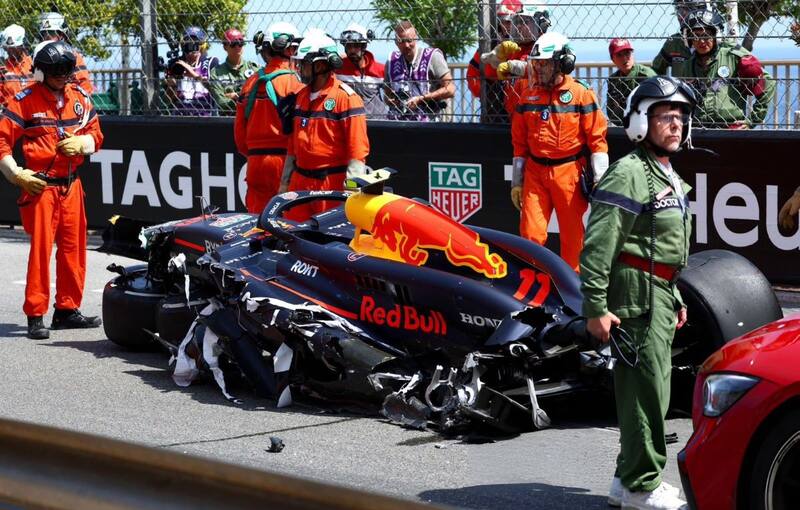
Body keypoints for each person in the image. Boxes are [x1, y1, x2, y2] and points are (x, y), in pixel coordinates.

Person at [581, 75, 696, 510]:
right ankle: (642, 486)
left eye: (681, 117)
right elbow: (598, 246)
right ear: (639, 122)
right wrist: (595, 307)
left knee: (651, 389)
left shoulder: (664, 172)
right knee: (646, 393)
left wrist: (677, 296)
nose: (676, 124)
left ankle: (624, 478)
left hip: (661, 293)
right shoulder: (629, 173)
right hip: (635, 297)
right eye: (665, 116)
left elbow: (664, 246)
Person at [0, 41, 104, 340]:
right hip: (41, 187)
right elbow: (2, 141)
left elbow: (97, 134)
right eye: (57, 71)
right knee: (41, 251)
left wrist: (83, 144)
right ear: (42, 73)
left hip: (71, 186)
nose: (63, 76)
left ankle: (67, 310)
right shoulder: (24, 101)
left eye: (67, 70)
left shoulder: (80, 97)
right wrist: (17, 174)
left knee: (74, 249)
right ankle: (35, 314)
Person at [510, 32, 608, 272]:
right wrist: (517, 181)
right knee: (530, 236)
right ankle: (533, 289)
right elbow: (519, 144)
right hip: (534, 174)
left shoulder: (581, 94)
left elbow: (597, 140)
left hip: (569, 173)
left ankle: (573, 294)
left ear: (562, 63)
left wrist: (600, 180)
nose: (539, 69)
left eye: (544, 63)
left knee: (573, 239)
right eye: (536, 63)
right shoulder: (527, 95)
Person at [278, 29, 369, 219]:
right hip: (300, 185)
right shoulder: (300, 97)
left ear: (320, 66)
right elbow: (293, 146)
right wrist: (284, 185)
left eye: (304, 63)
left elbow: (357, 151)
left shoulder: (346, 99)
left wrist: (350, 193)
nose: (299, 68)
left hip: (331, 187)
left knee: (328, 242)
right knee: (293, 238)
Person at [234, 22, 303, 214]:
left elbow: (240, 137)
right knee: (288, 223)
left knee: (258, 222)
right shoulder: (295, 83)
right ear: (289, 48)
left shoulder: (250, 83)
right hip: (284, 163)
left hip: (255, 163)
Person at [674, 8, 775, 128]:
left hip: (731, 128)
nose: (701, 41)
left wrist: (753, 120)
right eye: (695, 36)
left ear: (716, 36)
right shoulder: (687, 65)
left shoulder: (733, 56)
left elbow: (768, 83)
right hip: (698, 128)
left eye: (706, 36)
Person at [383, 20, 455, 121]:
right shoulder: (391, 61)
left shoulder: (432, 57)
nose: (406, 45)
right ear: (396, 42)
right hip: (397, 123)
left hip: (427, 123)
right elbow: (387, 95)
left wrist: (423, 98)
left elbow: (450, 89)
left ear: (416, 38)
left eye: (409, 40)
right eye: (401, 41)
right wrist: (392, 100)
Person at [466, 0, 523, 121]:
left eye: (512, 21)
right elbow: (472, 73)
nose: (508, 26)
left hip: (519, 105)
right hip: (494, 106)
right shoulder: (490, 46)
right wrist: (485, 93)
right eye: (505, 21)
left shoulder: (526, 46)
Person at [335, 23, 387, 117]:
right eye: (349, 46)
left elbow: (390, 94)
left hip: (379, 122)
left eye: (356, 46)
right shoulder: (338, 69)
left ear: (364, 46)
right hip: (349, 119)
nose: (352, 50)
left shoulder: (380, 70)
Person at [164, 26, 219, 116]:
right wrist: (172, 85)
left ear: (202, 45)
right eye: (188, 43)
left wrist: (194, 75)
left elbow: (216, 91)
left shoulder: (210, 62)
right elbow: (168, 100)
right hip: (180, 116)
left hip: (205, 115)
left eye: (196, 43)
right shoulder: (177, 64)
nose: (191, 46)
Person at [38, 12, 93, 94]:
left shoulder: (74, 57)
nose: (46, 38)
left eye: (51, 33)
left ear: (62, 36)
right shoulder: (38, 57)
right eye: (44, 34)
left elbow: (85, 89)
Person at [606, 38, 656, 126]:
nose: (625, 58)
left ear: (632, 55)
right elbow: (612, 115)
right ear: (612, 59)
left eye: (627, 53)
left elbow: (655, 109)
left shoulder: (646, 76)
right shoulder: (613, 80)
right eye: (619, 55)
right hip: (623, 127)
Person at [209, 28, 259, 116]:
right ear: (225, 46)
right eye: (233, 44)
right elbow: (221, 103)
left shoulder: (254, 69)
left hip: (251, 118)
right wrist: (246, 97)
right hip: (227, 119)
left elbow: (259, 97)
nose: (237, 47)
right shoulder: (216, 72)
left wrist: (235, 97)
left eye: (240, 43)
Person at [651, 0, 707, 75]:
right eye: (678, 9)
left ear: (700, 11)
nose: (681, 14)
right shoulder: (674, 42)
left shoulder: (716, 41)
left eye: (687, 9)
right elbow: (655, 72)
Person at [0, 24, 33, 107]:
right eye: (6, 48)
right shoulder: (3, 68)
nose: (9, 51)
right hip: (10, 114)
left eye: (14, 48)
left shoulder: (34, 64)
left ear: (23, 45)